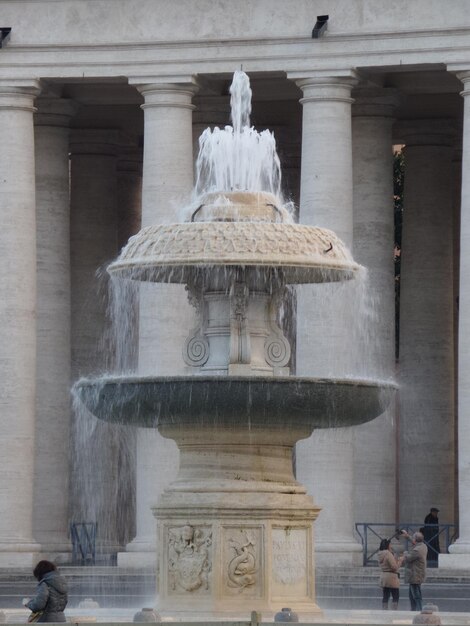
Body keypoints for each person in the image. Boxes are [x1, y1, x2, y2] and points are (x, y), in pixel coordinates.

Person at [401, 530, 427, 611]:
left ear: (416, 540)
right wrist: (407, 536)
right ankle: (413, 609)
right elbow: (414, 542)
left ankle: (418, 609)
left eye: (413, 538)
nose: (413, 539)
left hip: (415, 574)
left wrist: (405, 553)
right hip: (417, 573)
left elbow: (408, 558)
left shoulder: (417, 550)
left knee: (415, 594)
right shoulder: (423, 546)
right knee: (412, 594)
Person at [377, 538, 404, 610]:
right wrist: (400, 561)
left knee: (386, 595)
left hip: (384, 576)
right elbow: (394, 567)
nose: (391, 546)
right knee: (395, 595)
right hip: (391, 577)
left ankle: (384, 610)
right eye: (390, 544)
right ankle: (394, 610)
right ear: (388, 545)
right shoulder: (388, 554)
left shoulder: (380, 554)